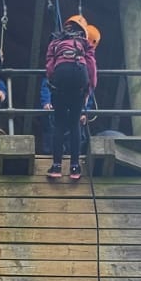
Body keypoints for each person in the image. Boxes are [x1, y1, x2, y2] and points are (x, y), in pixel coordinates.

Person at [45, 14, 97, 181]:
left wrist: (53, 84)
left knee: (59, 123)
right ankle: (75, 167)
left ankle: (56, 166)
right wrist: (89, 88)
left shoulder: (55, 42)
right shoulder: (85, 43)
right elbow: (91, 66)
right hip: (79, 76)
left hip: (61, 77)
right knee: (75, 124)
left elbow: (49, 66)